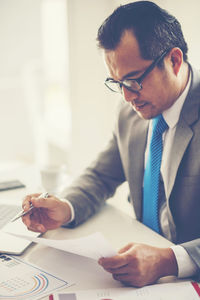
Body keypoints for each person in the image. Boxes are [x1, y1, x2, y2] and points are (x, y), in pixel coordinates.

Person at [22, 1, 200, 287]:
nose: (127, 97)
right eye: (116, 83)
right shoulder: (132, 111)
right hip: (142, 277)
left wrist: (169, 259)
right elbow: (101, 174)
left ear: (174, 61)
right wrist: (65, 207)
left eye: (133, 81)